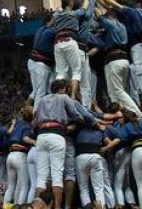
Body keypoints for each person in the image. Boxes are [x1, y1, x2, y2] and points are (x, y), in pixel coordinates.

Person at [34, 79, 99, 209]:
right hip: (57, 133)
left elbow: (35, 119)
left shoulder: (41, 99)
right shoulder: (63, 97)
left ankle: (37, 207)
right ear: (62, 89)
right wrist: (83, 121)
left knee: (42, 177)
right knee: (58, 175)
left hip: (41, 135)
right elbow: (75, 114)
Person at [89, 7, 142, 114]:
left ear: (111, 15)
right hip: (124, 59)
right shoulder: (122, 26)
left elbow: (99, 16)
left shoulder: (111, 25)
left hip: (114, 60)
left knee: (116, 92)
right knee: (122, 91)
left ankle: (137, 114)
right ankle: (122, 115)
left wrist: (93, 3)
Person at [50, 0, 93, 102]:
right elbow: (84, 9)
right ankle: (73, 98)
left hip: (57, 44)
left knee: (60, 73)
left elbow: (51, 20)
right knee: (76, 71)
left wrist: (59, 10)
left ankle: (56, 97)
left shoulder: (56, 15)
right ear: (70, 3)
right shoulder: (74, 14)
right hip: (70, 41)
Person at [74, 111, 112, 209]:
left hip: (81, 156)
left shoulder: (79, 128)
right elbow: (108, 142)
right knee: (99, 188)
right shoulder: (100, 130)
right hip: (95, 155)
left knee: (84, 188)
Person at [6, 106, 37, 207]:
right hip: (20, 155)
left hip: (10, 155)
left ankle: (7, 207)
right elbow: (25, 138)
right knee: (25, 186)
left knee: (12, 186)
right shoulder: (28, 126)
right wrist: (35, 142)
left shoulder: (18, 122)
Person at [28, 14, 56, 103]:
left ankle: (24, 112)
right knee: (41, 92)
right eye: (54, 20)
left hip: (33, 61)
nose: (56, 22)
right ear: (49, 21)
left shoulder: (41, 29)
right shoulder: (48, 31)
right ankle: (37, 115)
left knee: (37, 92)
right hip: (40, 63)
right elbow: (60, 29)